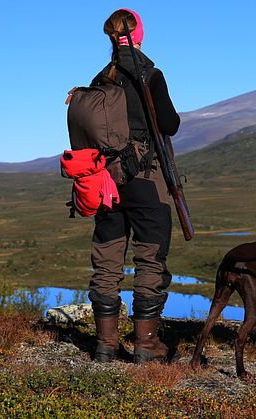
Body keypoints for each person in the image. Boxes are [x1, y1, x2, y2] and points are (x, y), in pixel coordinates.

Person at [86, 8, 180, 363]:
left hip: (105, 182)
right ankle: (146, 345)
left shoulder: (100, 79)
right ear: (139, 33)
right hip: (145, 180)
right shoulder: (149, 74)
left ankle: (106, 345)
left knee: (107, 260)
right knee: (150, 257)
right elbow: (169, 123)